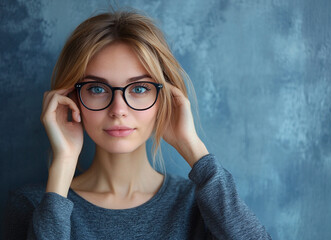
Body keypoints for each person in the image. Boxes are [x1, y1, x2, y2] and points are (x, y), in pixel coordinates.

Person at [4, 9, 272, 239]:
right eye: (97, 89)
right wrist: (62, 164)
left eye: (140, 89)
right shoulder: (34, 205)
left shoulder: (203, 205)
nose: (118, 110)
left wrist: (193, 148)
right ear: (71, 98)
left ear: (164, 98)